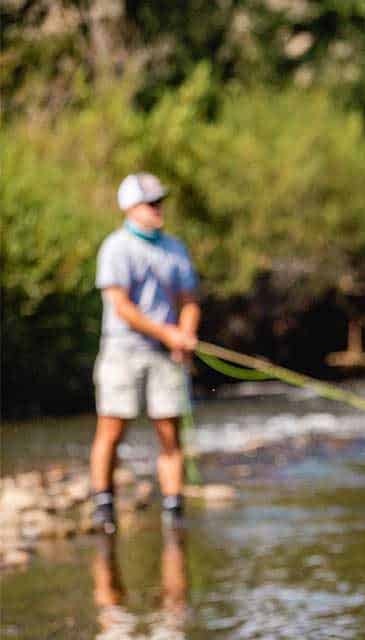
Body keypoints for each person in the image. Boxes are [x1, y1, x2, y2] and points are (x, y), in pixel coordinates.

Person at [90, 172, 200, 533]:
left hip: (166, 355)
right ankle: (103, 504)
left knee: (169, 431)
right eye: (151, 203)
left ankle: (174, 508)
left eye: (159, 201)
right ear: (129, 208)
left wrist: (186, 332)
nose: (158, 208)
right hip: (123, 350)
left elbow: (189, 300)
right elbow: (121, 306)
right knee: (111, 428)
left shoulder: (175, 248)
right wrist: (168, 333)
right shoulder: (116, 248)